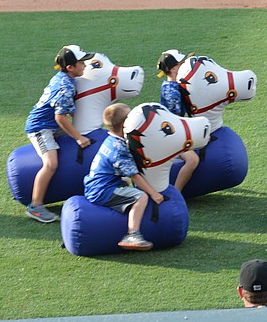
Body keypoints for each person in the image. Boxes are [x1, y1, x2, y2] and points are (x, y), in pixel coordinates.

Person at [24, 44, 95, 223]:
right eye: (82, 63)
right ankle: (35, 206)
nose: (85, 65)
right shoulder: (65, 86)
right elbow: (60, 118)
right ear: (70, 67)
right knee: (51, 164)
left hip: (52, 124)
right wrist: (78, 137)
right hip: (41, 128)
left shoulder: (67, 79)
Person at [84, 103, 164, 251]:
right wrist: (154, 194)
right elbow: (135, 176)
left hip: (98, 184)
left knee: (125, 183)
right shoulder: (119, 148)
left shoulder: (112, 139)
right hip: (102, 190)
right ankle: (132, 234)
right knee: (141, 197)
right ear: (124, 125)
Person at [157, 49, 200, 191]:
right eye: (182, 64)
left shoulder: (176, 86)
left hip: (177, 130)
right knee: (192, 160)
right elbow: (175, 121)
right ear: (174, 69)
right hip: (171, 135)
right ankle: (177, 192)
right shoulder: (171, 92)